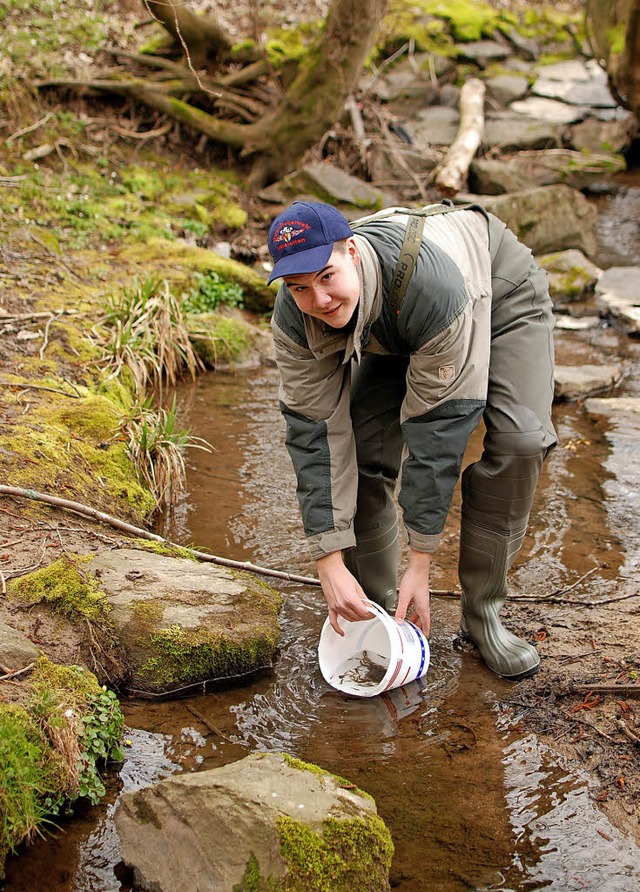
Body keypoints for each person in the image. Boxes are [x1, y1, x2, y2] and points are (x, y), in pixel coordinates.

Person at [267, 199, 556, 680]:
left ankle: (483, 615)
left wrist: (420, 563)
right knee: (360, 447)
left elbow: (438, 434)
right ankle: (379, 612)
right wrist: (328, 559)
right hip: (391, 318)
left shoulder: (434, 287)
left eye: (326, 276)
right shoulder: (297, 316)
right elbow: (314, 435)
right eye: (299, 287)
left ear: (352, 252)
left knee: (519, 443)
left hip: (493, 291)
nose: (318, 300)